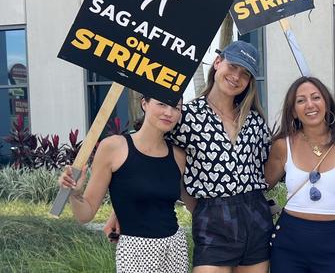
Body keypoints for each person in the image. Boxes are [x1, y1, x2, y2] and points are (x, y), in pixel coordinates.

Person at [104, 41, 273, 273]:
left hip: (255, 217)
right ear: (218, 62)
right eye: (233, 66)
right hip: (212, 217)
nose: (236, 76)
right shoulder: (185, 116)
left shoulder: (255, 122)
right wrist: (121, 210)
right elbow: (150, 160)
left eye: (245, 74)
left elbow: (265, 170)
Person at [59, 96, 189, 273]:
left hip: (174, 247)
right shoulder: (113, 147)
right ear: (144, 103)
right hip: (135, 251)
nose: (169, 112)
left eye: (176, 107)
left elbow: (188, 202)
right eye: (162, 104)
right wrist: (74, 194)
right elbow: (85, 214)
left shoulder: (179, 155)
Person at [264, 76, 335, 273]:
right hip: (288, 242)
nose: (309, 105)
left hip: (333, 243)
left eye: (315, 97)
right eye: (301, 100)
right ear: (293, 111)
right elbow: (258, 186)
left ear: (326, 102)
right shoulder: (282, 146)